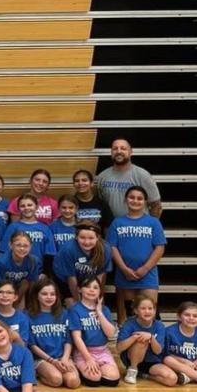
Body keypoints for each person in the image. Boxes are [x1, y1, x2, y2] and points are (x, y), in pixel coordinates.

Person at [108, 186, 166, 323]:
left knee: (149, 311)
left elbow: (160, 247)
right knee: (131, 314)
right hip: (125, 273)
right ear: (125, 200)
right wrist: (124, 269)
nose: (135, 201)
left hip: (148, 273)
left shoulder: (153, 222)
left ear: (145, 202)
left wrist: (145, 268)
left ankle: (152, 336)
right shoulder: (117, 222)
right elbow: (112, 247)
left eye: (140, 198)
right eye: (132, 197)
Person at [25, 277, 78, 389]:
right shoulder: (28, 316)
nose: (49, 297)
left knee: (73, 382)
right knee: (56, 380)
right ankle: (38, 373)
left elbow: (68, 341)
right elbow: (32, 345)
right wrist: (52, 361)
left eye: (52, 294)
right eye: (44, 294)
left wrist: (65, 359)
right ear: (36, 296)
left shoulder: (64, 313)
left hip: (62, 356)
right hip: (42, 358)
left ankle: (60, 368)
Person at [66, 278, 120, 387]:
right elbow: (77, 338)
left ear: (100, 291)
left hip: (102, 351)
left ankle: (98, 368)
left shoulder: (104, 310)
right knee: (94, 378)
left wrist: (99, 313)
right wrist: (89, 359)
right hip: (84, 352)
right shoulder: (75, 310)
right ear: (79, 289)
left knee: (113, 378)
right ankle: (81, 368)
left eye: (95, 287)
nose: (92, 290)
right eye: (87, 287)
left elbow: (110, 334)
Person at [96, 138, 162, 219]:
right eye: (115, 149)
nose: (119, 151)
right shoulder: (102, 177)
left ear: (131, 152)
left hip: (137, 226)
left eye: (123, 148)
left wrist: (152, 224)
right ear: (111, 152)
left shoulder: (142, 175)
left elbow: (156, 205)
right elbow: (98, 204)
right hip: (110, 226)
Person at [115, 295, 169, 386]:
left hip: (152, 361)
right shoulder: (129, 324)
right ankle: (133, 369)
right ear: (136, 311)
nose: (147, 311)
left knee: (171, 379)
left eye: (150, 308)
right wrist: (135, 337)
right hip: (132, 359)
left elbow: (158, 351)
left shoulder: (159, 325)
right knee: (142, 339)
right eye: (143, 308)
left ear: (155, 311)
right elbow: (119, 348)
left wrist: (151, 337)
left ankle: (143, 375)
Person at [52, 224, 111, 305]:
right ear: (76, 237)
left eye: (91, 238)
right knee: (73, 305)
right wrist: (80, 304)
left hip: (89, 279)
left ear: (97, 237)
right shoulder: (68, 250)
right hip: (65, 280)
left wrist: (98, 297)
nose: (86, 242)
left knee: (98, 304)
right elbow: (71, 279)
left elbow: (101, 276)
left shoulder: (105, 249)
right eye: (82, 238)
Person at [162, 302, 197, 385]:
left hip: (196, 366)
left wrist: (193, 364)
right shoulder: (169, 332)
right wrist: (184, 362)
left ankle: (187, 378)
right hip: (176, 365)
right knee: (167, 360)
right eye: (187, 315)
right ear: (179, 317)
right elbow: (166, 355)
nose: (191, 318)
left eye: (195, 316)